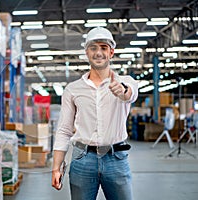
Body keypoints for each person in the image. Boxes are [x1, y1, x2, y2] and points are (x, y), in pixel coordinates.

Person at [51, 26, 139, 200]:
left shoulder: (126, 82)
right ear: (87, 52)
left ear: (111, 52)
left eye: (104, 47)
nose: (98, 53)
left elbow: (130, 95)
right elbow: (64, 130)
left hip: (116, 160)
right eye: (93, 48)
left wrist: (122, 91)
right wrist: (56, 167)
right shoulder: (73, 89)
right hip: (82, 160)